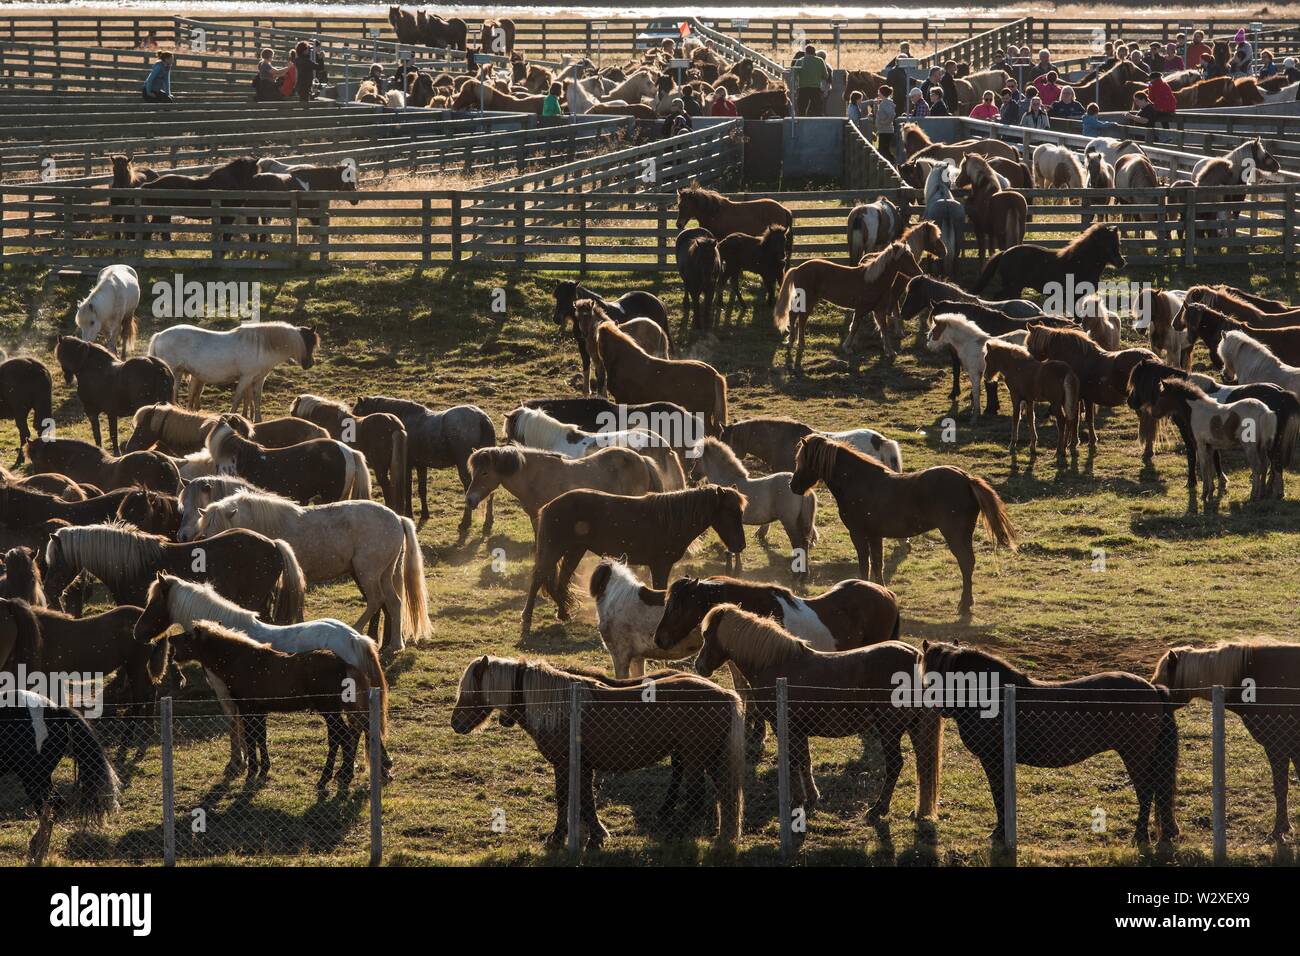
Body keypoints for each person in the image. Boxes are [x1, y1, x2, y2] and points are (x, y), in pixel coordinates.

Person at [794, 43, 828, 116]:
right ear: (814, 52)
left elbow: (793, 76)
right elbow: (826, 76)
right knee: (817, 111)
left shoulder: (800, 61)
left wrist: (796, 86)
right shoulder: (820, 61)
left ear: (805, 52)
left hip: (803, 89)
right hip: (816, 89)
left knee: (801, 110)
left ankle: (801, 125)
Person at [872, 85, 897, 161]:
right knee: (884, 151)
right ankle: (891, 164)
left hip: (886, 131)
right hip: (884, 130)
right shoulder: (884, 102)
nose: (878, 94)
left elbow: (892, 114)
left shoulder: (885, 103)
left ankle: (893, 163)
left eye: (879, 92)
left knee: (883, 151)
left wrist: (885, 122)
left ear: (882, 93)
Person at [294, 40, 314, 104]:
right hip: (305, 84)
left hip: (301, 84)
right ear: (304, 51)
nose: (308, 51)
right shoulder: (305, 60)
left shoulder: (297, 60)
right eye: (307, 49)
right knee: (304, 102)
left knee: (302, 100)